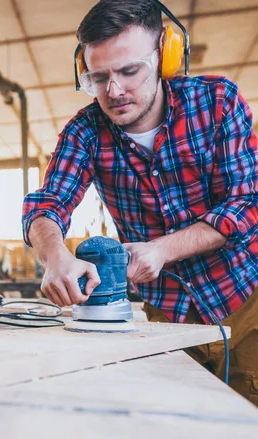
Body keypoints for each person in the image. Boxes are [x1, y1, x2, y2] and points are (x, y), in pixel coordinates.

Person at [22, 0, 258, 404]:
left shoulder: (218, 102)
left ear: (165, 55)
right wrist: (54, 254)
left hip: (245, 296)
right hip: (167, 313)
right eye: (98, 77)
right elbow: (46, 204)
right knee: (181, 424)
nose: (113, 92)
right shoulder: (85, 132)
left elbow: (246, 204)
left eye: (129, 71)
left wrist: (161, 250)